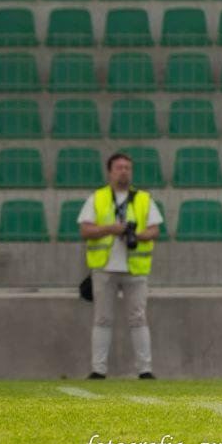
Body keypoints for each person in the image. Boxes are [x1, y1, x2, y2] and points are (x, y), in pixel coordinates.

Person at [77, 152, 162, 380]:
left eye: (127, 168)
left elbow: (155, 229)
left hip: (135, 268)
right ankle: (98, 370)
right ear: (110, 172)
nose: (124, 171)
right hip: (105, 267)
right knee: (102, 319)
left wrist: (139, 235)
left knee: (138, 318)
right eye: (119, 167)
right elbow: (85, 230)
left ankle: (145, 370)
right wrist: (111, 229)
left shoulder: (144, 198)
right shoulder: (98, 197)